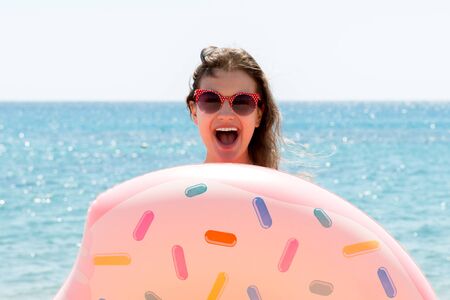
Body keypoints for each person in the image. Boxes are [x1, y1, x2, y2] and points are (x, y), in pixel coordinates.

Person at [186, 46, 283, 170]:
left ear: (259, 115)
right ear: (194, 112)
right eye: (211, 100)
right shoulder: (179, 188)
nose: (226, 114)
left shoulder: (279, 189)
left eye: (242, 102)